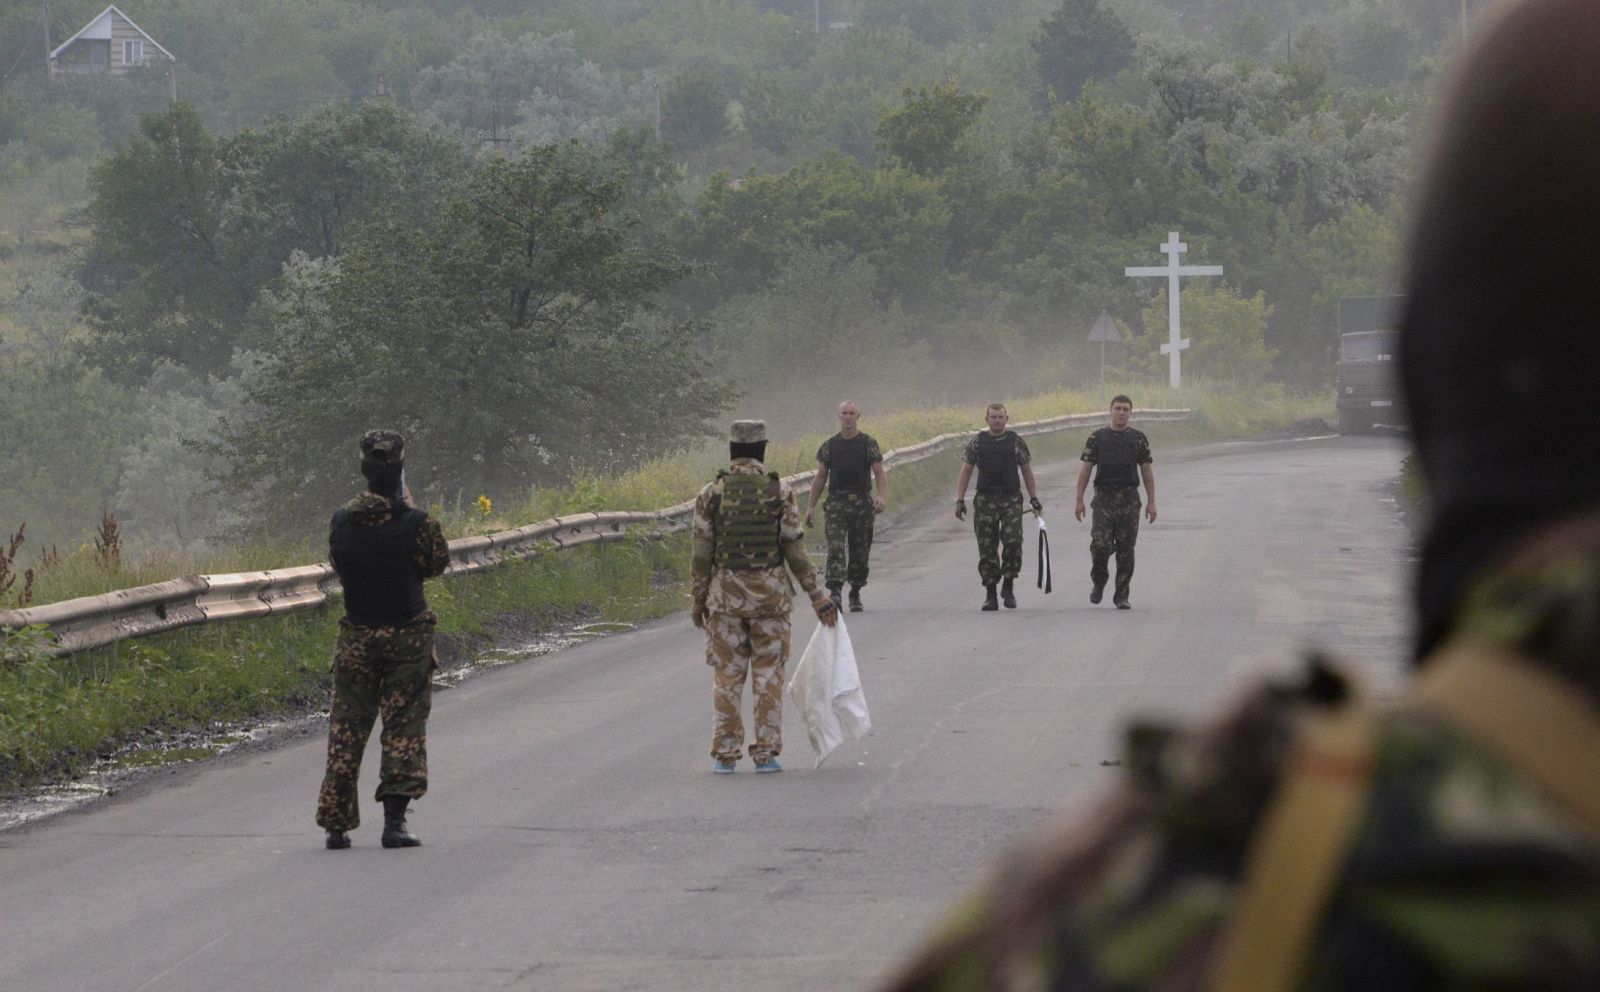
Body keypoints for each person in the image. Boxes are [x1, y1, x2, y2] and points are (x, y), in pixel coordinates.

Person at [883, 2, 1600, 987]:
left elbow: (1133, 469)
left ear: (1433, 392)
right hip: (1079, 509)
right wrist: (1054, 498)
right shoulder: (1070, 433)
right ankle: (1067, 580)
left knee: (1118, 559)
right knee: (1093, 559)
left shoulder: (1231, 903)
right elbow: (1083, 468)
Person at [316, 430, 451, 850]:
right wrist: (406, 510)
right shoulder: (417, 523)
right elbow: (436, 564)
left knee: (346, 729)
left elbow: (339, 563)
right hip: (407, 637)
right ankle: (395, 822)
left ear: (365, 472)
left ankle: (336, 825)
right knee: (403, 726)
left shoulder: (342, 521)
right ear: (398, 472)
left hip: (356, 636)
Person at [692, 420, 839, 774]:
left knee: (727, 680)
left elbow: (701, 552)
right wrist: (816, 595)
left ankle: (725, 755)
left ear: (732, 451)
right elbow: (794, 549)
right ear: (762, 450)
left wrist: (699, 599)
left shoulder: (711, 494)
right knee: (768, 677)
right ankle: (766, 754)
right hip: (771, 603)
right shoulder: (779, 492)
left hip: (725, 602)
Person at [954, 404, 1043, 611]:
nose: (997, 420)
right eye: (993, 417)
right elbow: (966, 471)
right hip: (985, 500)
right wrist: (960, 499)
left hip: (1011, 498)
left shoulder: (1015, 442)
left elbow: (1026, 470)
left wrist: (1034, 498)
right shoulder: (977, 443)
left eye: (1000, 417)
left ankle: (1009, 584)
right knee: (987, 548)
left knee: (1013, 542)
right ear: (987, 419)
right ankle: (991, 594)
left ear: (1006, 418)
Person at [1074, 394, 1156, 609]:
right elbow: (1086, 469)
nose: (1121, 413)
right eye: (1118, 408)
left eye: (1125, 409)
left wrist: (1151, 501)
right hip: (1103, 500)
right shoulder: (1097, 438)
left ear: (1130, 412)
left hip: (1129, 500)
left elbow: (1146, 469)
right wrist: (1079, 499)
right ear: (1110, 410)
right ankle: (1099, 581)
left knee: (1126, 549)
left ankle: (1121, 595)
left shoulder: (1138, 439)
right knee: (1100, 546)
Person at [805, 401, 888, 613]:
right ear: (839, 416)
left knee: (860, 550)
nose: (848, 417)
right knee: (835, 546)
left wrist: (880, 496)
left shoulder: (868, 443)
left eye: (852, 413)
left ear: (858, 416)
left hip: (861, 502)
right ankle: (835, 591)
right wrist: (811, 506)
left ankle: (855, 590)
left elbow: (879, 472)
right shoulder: (829, 446)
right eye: (844, 413)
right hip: (836, 503)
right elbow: (821, 477)